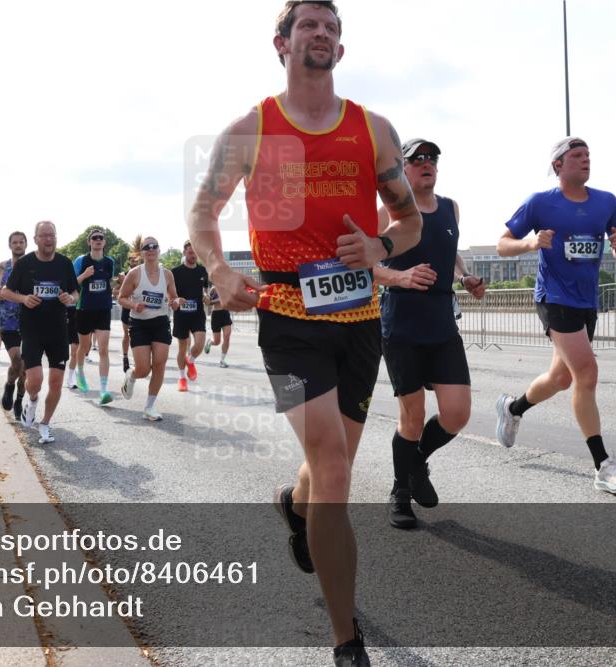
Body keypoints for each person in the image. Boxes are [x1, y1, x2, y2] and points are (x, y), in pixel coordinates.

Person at [186, 3, 422, 663]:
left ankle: (294, 503)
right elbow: (204, 209)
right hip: (287, 316)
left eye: (332, 27)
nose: (321, 33)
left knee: (326, 469)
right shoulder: (251, 130)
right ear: (281, 43)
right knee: (338, 468)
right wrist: (219, 268)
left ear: (340, 51)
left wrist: (377, 243)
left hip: (359, 321)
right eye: (309, 24)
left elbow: (409, 223)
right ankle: (347, 639)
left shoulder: (372, 130)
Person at [495, 136, 616, 495]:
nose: (585, 160)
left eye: (588, 155)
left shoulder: (607, 202)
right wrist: (530, 243)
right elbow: (502, 244)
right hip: (554, 297)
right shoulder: (541, 203)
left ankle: (513, 408)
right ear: (559, 165)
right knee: (587, 373)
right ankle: (603, 466)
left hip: (586, 301)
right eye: (577, 155)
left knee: (561, 378)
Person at [372, 138, 485, 528]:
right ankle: (399, 492)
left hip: (441, 320)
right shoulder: (387, 211)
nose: (426, 163)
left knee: (457, 413)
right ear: (402, 168)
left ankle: (416, 462)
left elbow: (449, 249)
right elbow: (362, 263)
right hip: (401, 319)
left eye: (431, 158)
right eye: (416, 158)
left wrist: (464, 275)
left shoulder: (451, 208)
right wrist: (399, 276)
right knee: (412, 417)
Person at [0, 221, 79, 444]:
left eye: (51, 235)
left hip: (57, 330)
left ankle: (45, 423)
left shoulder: (64, 263)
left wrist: (70, 298)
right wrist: (24, 298)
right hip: (32, 329)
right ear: (35, 239)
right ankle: (32, 400)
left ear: (56, 237)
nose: (48, 239)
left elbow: (75, 292)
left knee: (55, 382)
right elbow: (5, 291)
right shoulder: (25, 264)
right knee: (34, 380)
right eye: (43, 236)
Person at [117, 236, 183, 421]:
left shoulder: (167, 274)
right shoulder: (135, 274)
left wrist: (176, 302)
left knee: (160, 363)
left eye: (155, 246)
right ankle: (131, 375)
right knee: (144, 369)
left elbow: (174, 299)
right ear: (142, 252)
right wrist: (133, 305)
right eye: (147, 247)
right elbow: (122, 297)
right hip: (139, 324)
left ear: (159, 250)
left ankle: (149, 407)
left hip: (160, 322)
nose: (151, 249)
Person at [0, 231, 29, 421]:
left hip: (30, 321)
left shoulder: (33, 265)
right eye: (15, 242)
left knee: (26, 369)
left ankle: (19, 399)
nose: (18, 245)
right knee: (17, 361)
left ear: (26, 244)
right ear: (9, 245)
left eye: (21, 242)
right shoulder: (2, 267)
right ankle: (10, 385)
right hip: (8, 322)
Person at [72, 228, 117, 404]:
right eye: (94, 238)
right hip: (84, 309)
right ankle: (80, 371)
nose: (98, 240)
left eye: (101, 238)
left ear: (104, 242)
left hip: (103, 309)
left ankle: (104, 390)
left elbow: (108, 281)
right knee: (84, 347)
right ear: (89, 242)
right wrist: (85, 275)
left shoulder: (109, 262)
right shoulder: (81, 260)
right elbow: (72, 282)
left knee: (103, 349)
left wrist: (117, 282)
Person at [171, 241, 210, 391]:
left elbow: (205, 290)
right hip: (181, 314)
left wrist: (206, 296)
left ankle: (190, 360)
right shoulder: (175, 272)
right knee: (182, 348)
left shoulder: (202, 271)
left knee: (199, 343)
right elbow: (170, 294)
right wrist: (175, 301)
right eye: (190, 252)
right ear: (184, 253)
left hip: (197, 313)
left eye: (195, 252)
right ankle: (182, 378)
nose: (193, 255)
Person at [203, 285, 233, 367]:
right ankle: (209, 342)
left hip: (225, 313)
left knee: (227, 336)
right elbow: (208, 302)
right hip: (216, 315)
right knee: (217, 341)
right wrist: (209, 299)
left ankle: (222, 360)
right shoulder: (214, 289)